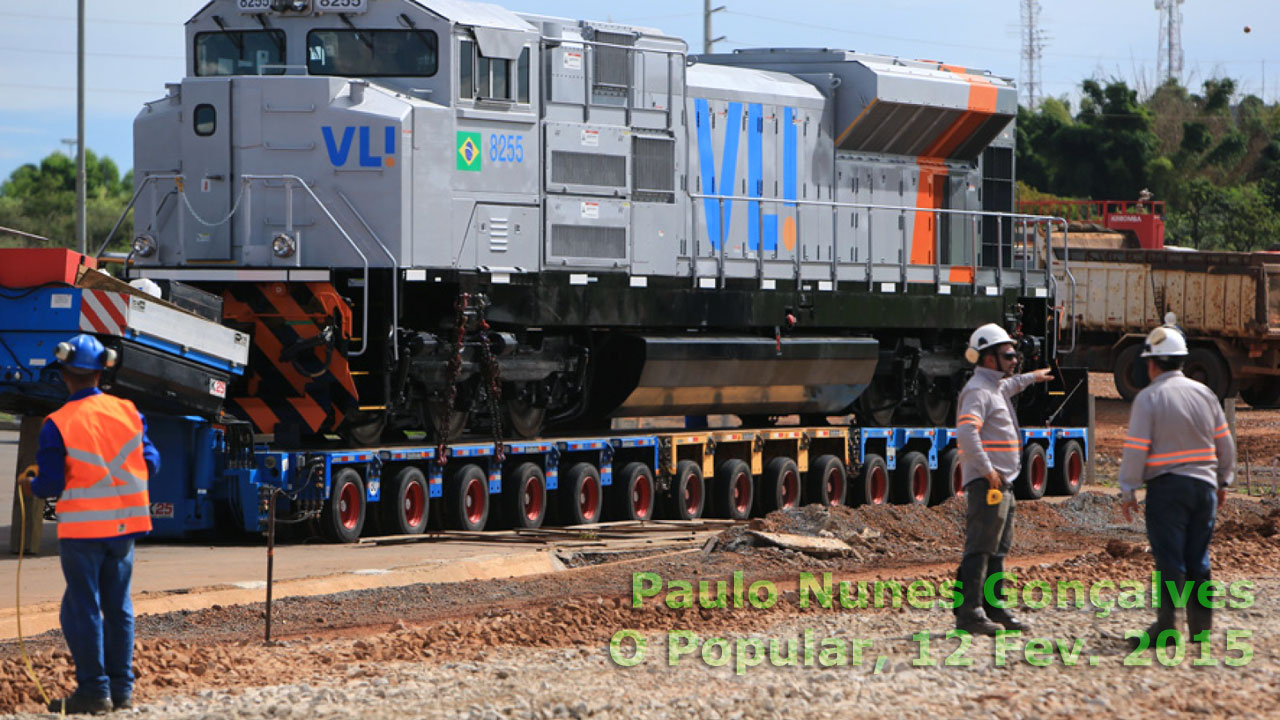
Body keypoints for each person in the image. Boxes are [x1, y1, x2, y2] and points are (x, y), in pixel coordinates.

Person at [18, 334, 159, 714]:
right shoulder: (129, 411)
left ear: (64, 373)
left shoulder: (58, 422)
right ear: (102, 372)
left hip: (83, 532)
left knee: (81, 608)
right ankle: (122, 690)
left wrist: (29, 485)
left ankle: (95, 692)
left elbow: (51, 484)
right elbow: (151, 462)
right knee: (118, 607)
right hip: (125, 528)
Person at [1119, 323, 1234, 646]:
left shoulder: (1149, 398)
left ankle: (1168, 627)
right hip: (1204, 488)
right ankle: (1201, 627)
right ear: (1182, 360)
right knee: (1199, 557)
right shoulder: (1205, 394)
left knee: (1170, 559)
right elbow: (1225, 444)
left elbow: (1137, 448)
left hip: (1168, 490)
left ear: (1152, 364)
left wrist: (1128, 490)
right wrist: (1223, 480)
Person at [953, 323, 1053, 636]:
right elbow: (967, 432)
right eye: (1008, 355)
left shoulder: (994, 386)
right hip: (989, 482)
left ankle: (993, 606)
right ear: (988, 359)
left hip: (1001, 481)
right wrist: (987, 470)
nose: (1014, 360)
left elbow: (1011, 386)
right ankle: (969, 612)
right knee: (980, 547)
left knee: (997, 548)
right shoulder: (978, 391)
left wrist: (1033, 378)